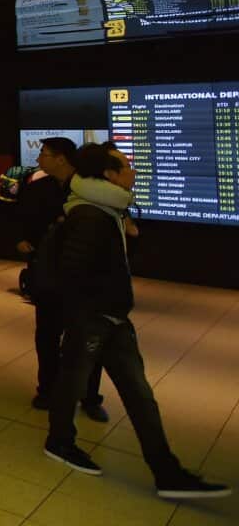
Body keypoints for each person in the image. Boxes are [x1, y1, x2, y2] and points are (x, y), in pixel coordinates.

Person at [44, 143, 230, 499]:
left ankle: (166, 470)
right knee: (77, 380)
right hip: (96, 317)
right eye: (127, 167)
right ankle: (60, 441)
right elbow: (74, 271)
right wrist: (93, 312)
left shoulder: (108, 211)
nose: (133, 172)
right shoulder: (90, 215)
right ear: (109, 175)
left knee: (136, 393)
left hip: (110, 317)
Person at [18, 138, 106, 421]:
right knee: (46, 335)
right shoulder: (38, 187)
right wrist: (21, 239)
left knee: (85, 340)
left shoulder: (86, 190)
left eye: (44, 153)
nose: (39, 158)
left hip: (80, 277)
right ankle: (47, 390)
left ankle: (89, 397)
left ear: (61, 159)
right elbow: (21, 217)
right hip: (47, 276)